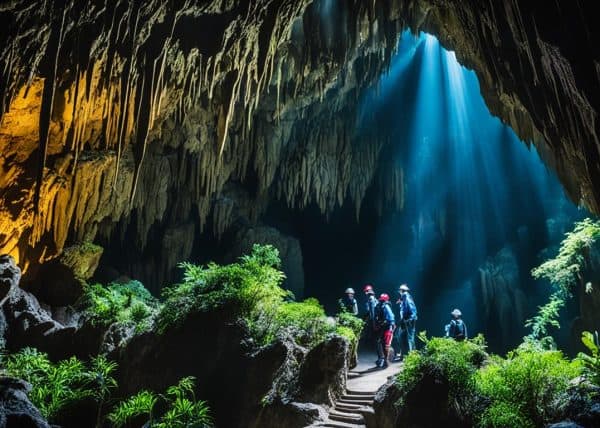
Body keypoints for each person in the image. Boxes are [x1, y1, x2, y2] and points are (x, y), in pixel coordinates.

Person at [374, 293, 395, 368]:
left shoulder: (386, 306)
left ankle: (387, 361)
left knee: (386, 344)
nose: (381, 301)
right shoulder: (381, 306)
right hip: (384, 327)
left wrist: (384, 324)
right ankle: (385, 360)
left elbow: (391, 318)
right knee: (382, 343)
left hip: (388, 327)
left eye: (382, 300)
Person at [396, 284, 418, 358]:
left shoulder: (407, 298)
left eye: (400, 290)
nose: (399, 292)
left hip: (409, 321)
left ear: (402, 291)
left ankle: (411, 356)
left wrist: (409, 320)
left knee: (410, 338)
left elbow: (413, 311)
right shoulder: (404, 298)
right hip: (405, 320)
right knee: (400, 336)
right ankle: (404, 354)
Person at [363, 284, 379, 362]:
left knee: (377, 338)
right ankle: (380, 356)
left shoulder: (371, 299)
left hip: (374, 320)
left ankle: (381, 357)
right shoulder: (372, 299)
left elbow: (372, 312)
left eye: (366, 291)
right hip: (374, 320)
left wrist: (373, 323)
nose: (365, 293)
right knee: (375, 338)